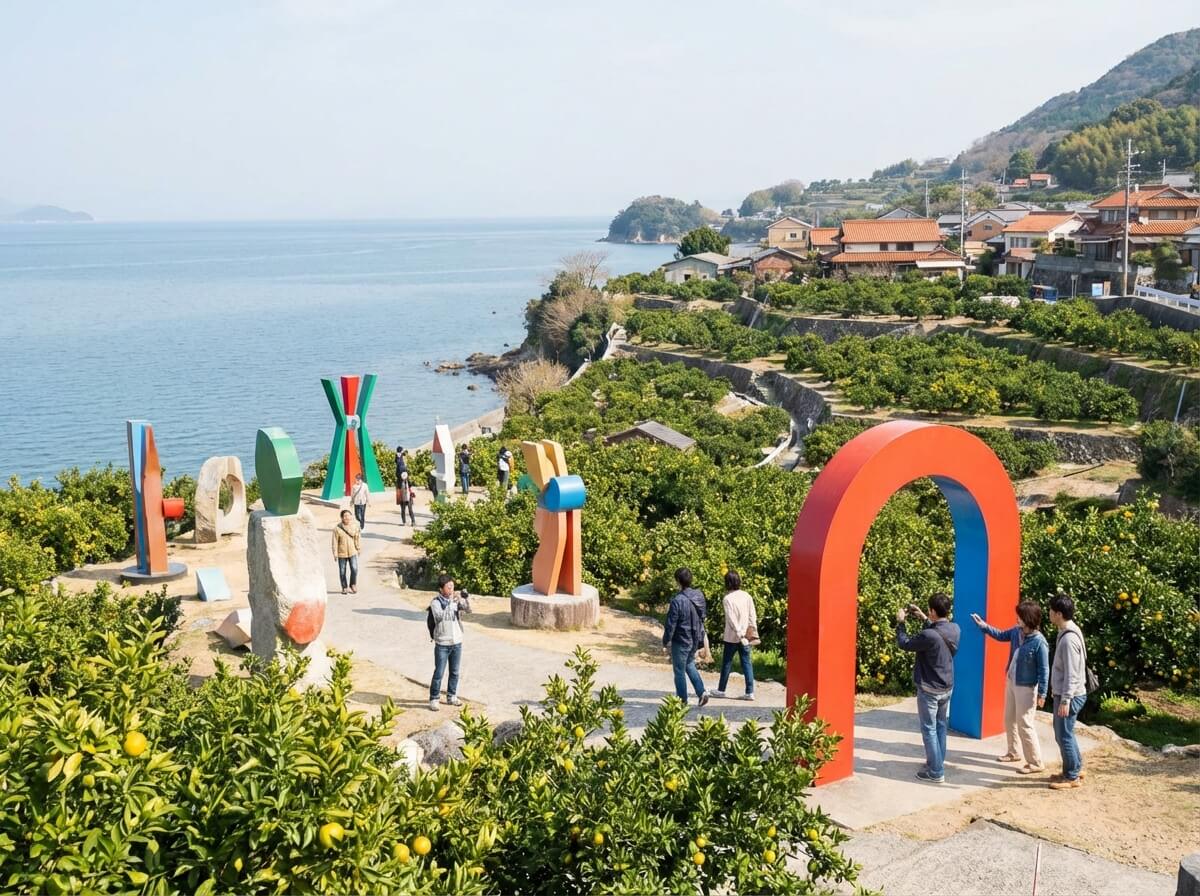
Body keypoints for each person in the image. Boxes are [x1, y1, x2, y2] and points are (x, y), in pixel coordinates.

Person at [971, 601, 1049, 774]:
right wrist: (983, 626)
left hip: (1027, 688)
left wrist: (1042, 693)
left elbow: (1044, 670)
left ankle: (1036, 762)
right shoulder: (1016, 632)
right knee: (1009, 719)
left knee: (1025, 724)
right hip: (1012, 681)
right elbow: (1000, 635)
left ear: (1027, 619)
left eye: (1020, 616)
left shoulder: (1039, 642)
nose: (1017, 618)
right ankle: (1013, 752)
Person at [896, 593, 961, 784]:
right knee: (940, 725)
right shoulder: (955, 628)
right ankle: (937, 762)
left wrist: (901, 622)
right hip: (947, 686)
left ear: (933, 610)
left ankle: (935, 771)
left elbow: (905, 643)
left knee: (929, 729)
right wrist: (925, 618)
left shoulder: (928, 634)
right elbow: (936, 635)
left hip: (929, 689)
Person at [1048, 594, 1088, 790]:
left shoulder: (1068, 639)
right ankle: (1074, 768)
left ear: (1058, 614)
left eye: (1051, 611)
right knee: (1066, 733)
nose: (1049, 613)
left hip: (1070, 695)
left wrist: (1065, 700)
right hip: (1068, 693)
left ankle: (1071, 776)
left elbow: (1072, 673)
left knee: (1063, 734)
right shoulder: (1069, 630)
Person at [662, 567, 710, 707]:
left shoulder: (677, 600)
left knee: (679, 670)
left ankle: (682, 700)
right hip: (694, 638)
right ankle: (702, 692)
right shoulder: (699, 596)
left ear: (678, 581)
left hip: (681, 639)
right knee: (689, 664)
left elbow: (671, 624)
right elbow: (703, 617)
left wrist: (665, 641)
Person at [712, 570, 756, 700]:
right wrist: (750, 631)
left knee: (727, 663)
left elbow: (731, 619)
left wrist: (739, 633)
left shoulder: (727, 599)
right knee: (747, 663)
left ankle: (721, 690)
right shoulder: (746, 596)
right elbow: (752, 615)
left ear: (727, 583)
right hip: (746, 636)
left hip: (732, 636)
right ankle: (750, 692)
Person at [429, 574, 468, 711]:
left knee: (455, 672)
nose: (451, 589)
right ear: (441, 589)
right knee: (439, 672)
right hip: (442, 643)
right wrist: (451, 603)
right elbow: (439, 617)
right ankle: (434, 698)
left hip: (457, 641)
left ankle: (451, 696)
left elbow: (468, 610)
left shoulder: (456, 601)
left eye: (452, 586)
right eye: (448, 587)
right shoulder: (435, 603)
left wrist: (464, 599)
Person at [331, 509, 361, 595]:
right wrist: (335, 553)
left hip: (352, 552)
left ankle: (353, 584)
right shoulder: (337, 529)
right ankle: (344, 587)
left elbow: (357, 538)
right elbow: (335, 542)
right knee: (342, 571)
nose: (347, 517)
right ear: (341, 518)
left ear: (351, 517)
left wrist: (358, 548)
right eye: (345, 516)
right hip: (341, 553)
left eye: (348, 515)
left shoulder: (355, 526)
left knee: (354, 569)